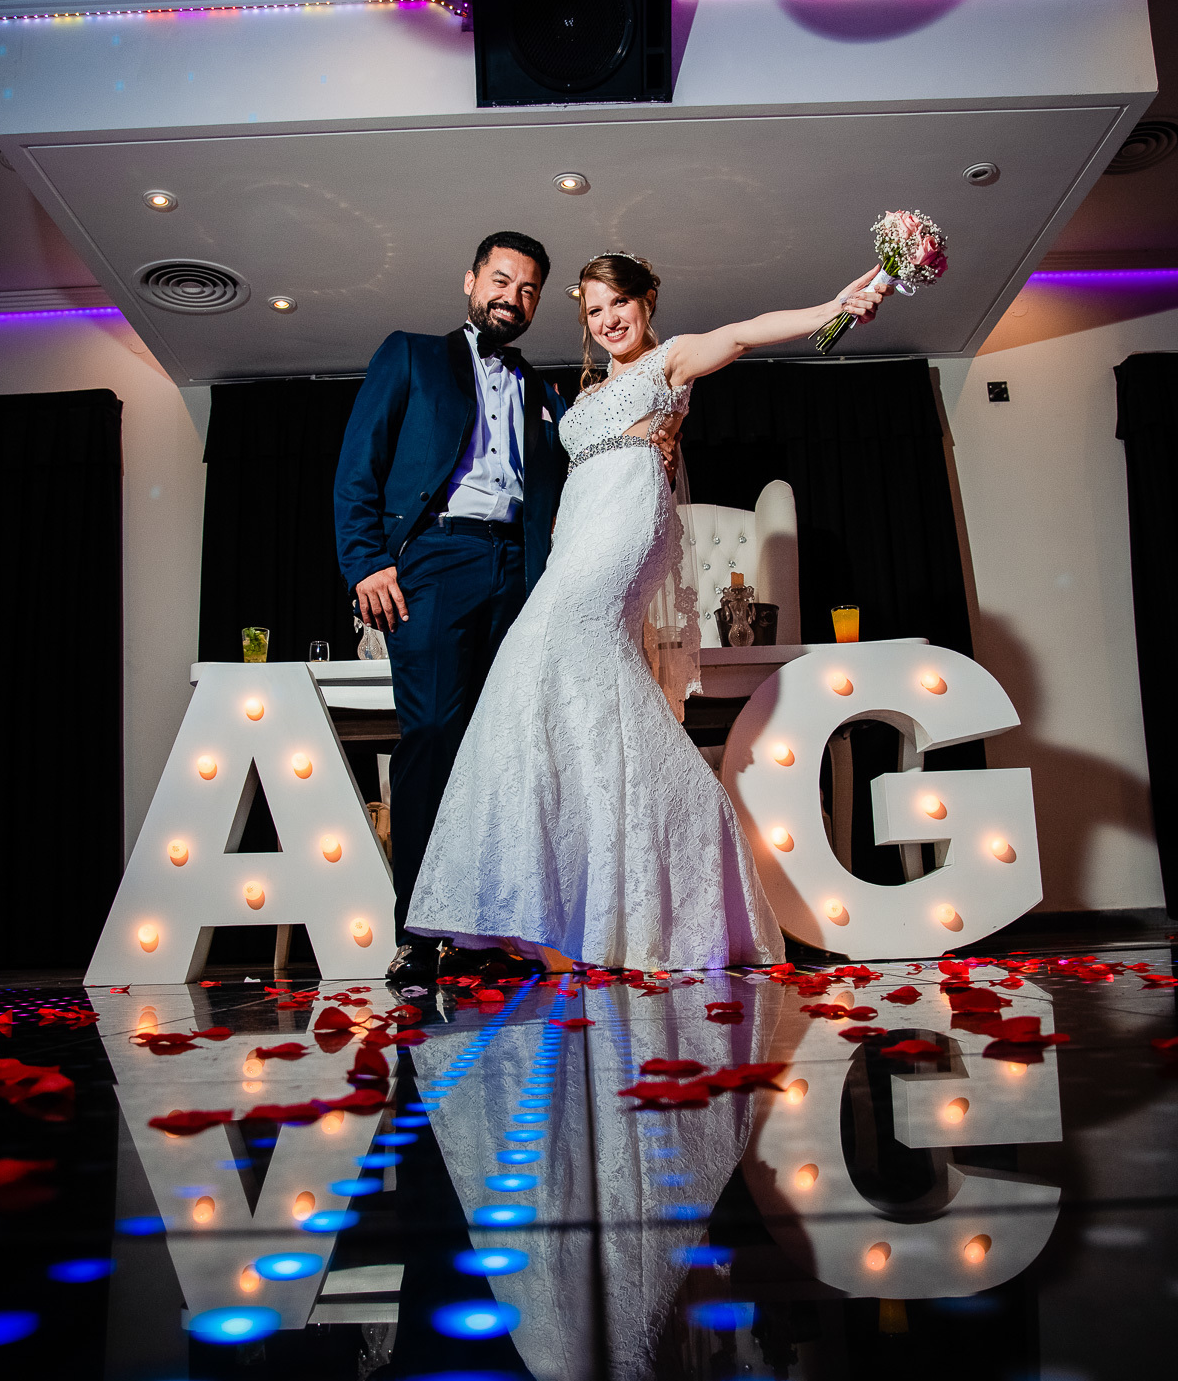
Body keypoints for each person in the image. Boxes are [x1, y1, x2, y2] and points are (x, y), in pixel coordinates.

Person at [407, 251, 893, 971]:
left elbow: (746, 332)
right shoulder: (587, 386)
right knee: (548, 684)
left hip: (627, 525)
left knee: (555, 654)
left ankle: (685, 845)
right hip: (576, 533)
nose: (607, 320)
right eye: (594, 311)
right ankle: (573, 894)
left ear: (646, 301)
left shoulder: (671, 360)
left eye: (618, 305)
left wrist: (832, 307)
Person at [334, 232, 569, 989]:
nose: (513, 297)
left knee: (497, 751)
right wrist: (366, 559)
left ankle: (478, 933)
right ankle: (415, 932)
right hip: (434, 560)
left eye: (529, 289)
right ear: (470, 281)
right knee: (433, 735)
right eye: (502, 280)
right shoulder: (410, 355)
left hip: (517, 571)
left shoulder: (543, 392)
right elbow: (358, 463)